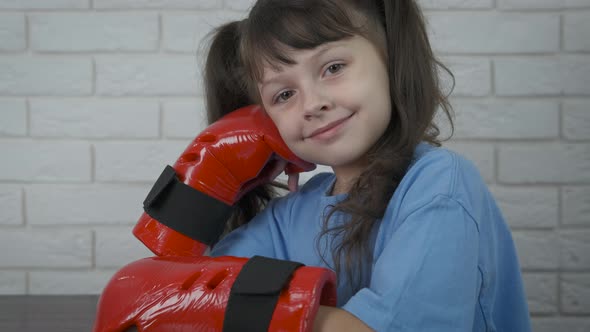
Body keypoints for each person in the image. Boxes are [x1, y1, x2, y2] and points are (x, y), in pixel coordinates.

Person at [202, 0, 532, 331]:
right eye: (284, 94)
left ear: (390, 58)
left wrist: (259, 311)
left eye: (333, 67)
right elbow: (187, 293)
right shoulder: (288, 217)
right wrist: (216, 171)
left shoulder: (439, 184)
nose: (313, 104)